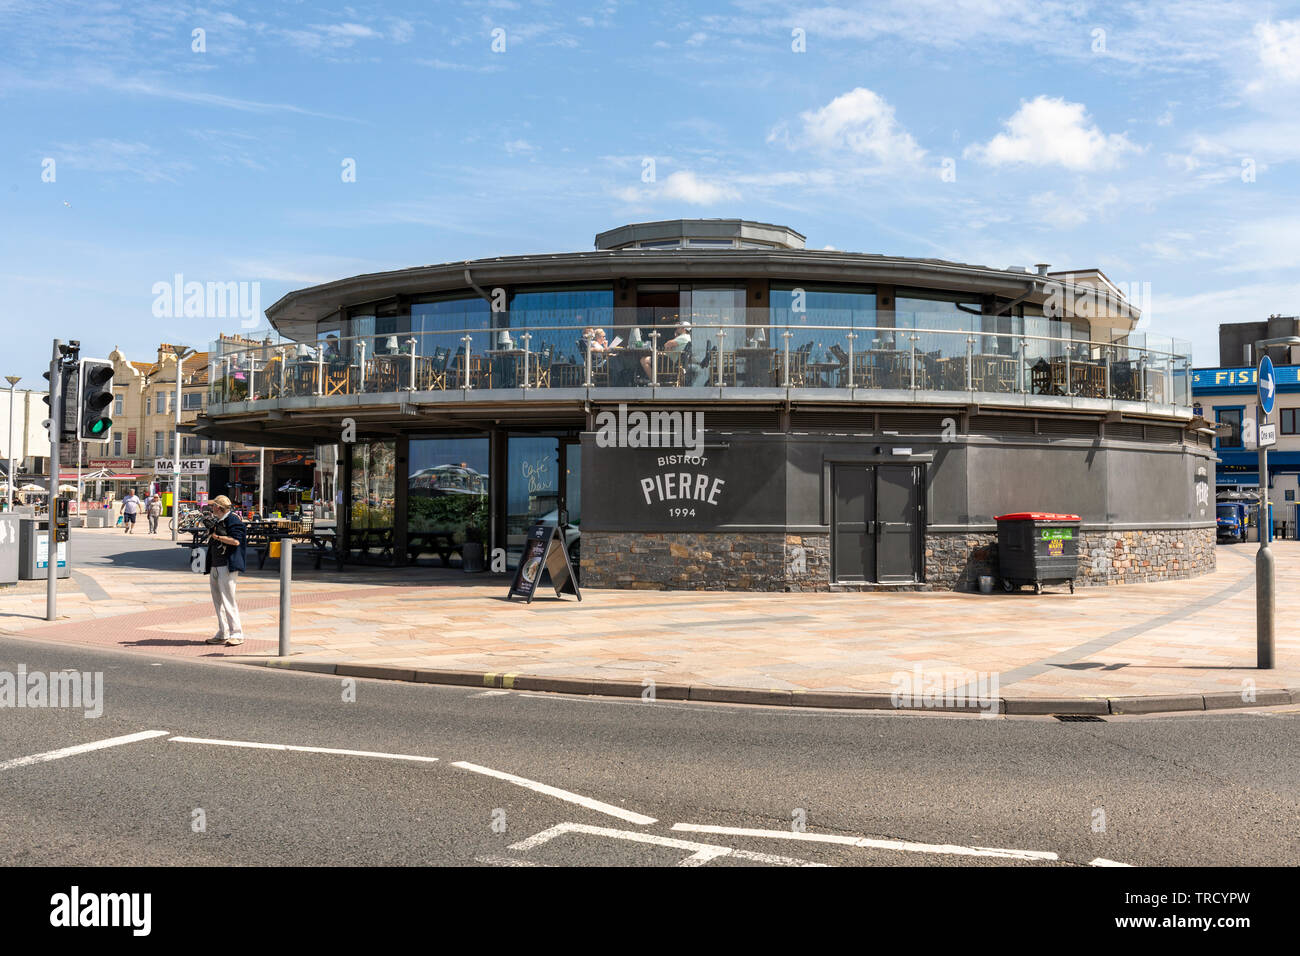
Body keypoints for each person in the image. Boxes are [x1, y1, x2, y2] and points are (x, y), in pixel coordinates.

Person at [204, 495, 247, 647]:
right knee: (218, 601)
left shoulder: (233, 520)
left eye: (214, 505)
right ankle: (223, 632)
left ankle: (237, 633)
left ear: (220, 508)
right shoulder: (220, 520)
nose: (212, 508)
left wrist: (216, 536)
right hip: (216, 564)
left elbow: (236, 541)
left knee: (228, 600)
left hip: (227, 565)